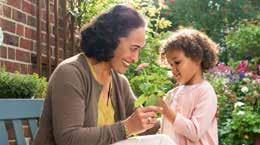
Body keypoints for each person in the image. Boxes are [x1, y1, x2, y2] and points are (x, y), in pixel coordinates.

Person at [33, 4, 171, 145]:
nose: (136, 58)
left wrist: (171, 116)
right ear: (111, 39)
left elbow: (143, 125)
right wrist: (126, 127)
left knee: (163, 141)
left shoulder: (119, 82)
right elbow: (69, 139)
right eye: (133, 48)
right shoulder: (71, 73)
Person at [157, 28, 219, 145]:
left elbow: (194, 132)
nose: (173, 70)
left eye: (177, 62)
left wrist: (166, 111)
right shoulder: (172, 93)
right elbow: (167, 129)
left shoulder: (205, 92)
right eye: (170, 65)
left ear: (197, 58)